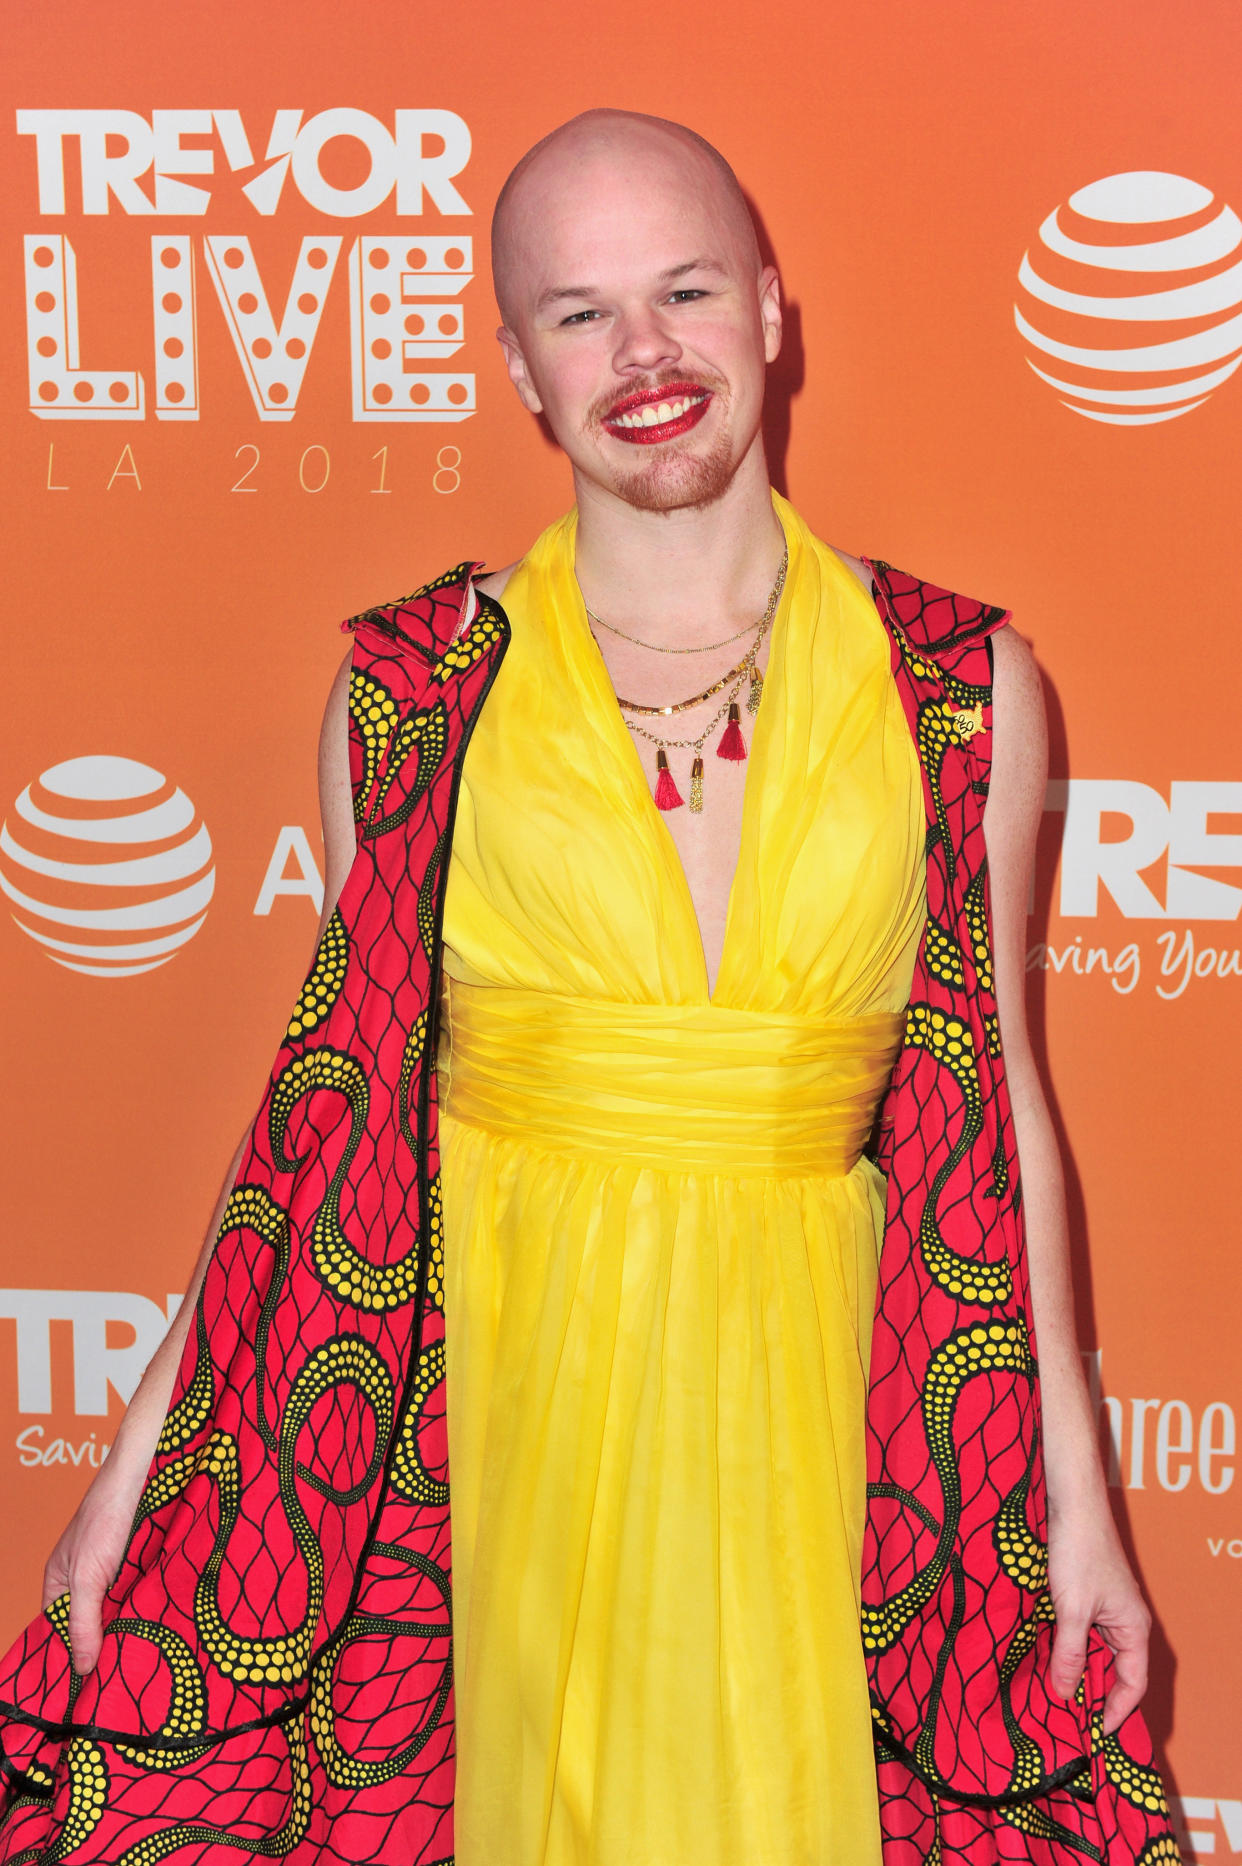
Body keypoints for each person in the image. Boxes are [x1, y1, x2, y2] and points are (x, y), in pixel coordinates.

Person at [0, 111, 1177, 1866]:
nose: (643, 355)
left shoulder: (960, 687)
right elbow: (332, 1118)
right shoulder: (413, 695)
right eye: (578, 312)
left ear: (770, 313)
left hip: (816, 1391)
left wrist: (1079, 1516)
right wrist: (140, 1461)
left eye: (684, 289)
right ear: (516, 369)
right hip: (481, 1408)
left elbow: (1003, 1107)